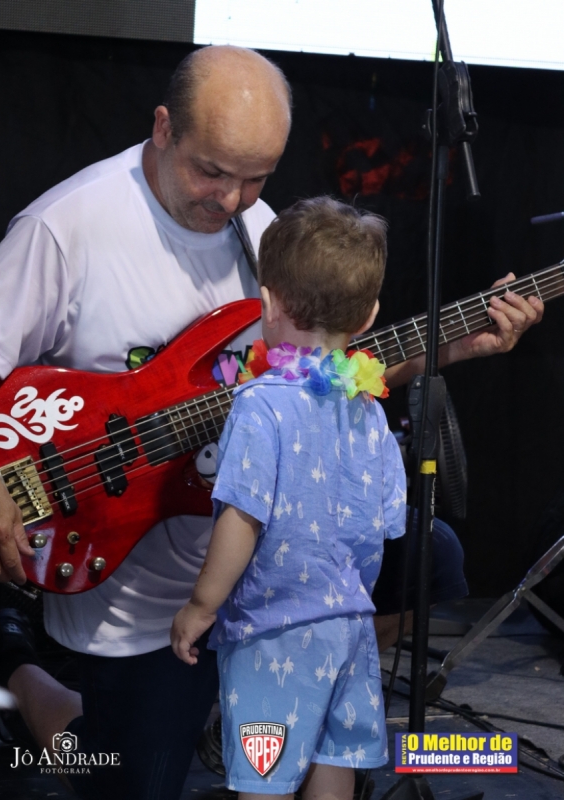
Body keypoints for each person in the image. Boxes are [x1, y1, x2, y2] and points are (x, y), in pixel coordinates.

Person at [0, 44, 543, 799]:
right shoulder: (66, 225)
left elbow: (316, 373)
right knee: (113, 775)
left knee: (435, 558)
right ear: (163, 128)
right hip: (135, 584)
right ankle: (15, 664)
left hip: (262, 577)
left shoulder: (258, 226)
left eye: (256, 177)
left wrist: (453, 347)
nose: (233, 198)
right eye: (212, 171)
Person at [171, 196, 406, 799]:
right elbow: (388, 521)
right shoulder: (368, 408)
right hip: (350, 628)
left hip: (273, 633)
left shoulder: (259, 405)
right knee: (333, 759)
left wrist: (201, 605)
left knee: (264, 779)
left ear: (268, 303)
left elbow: (242, 517)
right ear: (369, 315)